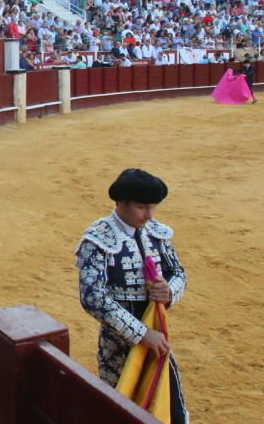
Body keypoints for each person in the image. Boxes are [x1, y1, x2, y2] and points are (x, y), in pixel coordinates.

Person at [75, 168, 189, 423]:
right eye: (142, 207)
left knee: (170, 408)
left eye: (152, 208)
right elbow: (92, 297)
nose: (149, 215)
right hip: (118, 343)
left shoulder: (156, 233)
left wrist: (169, 290)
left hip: (157, 335)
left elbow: (179, 273)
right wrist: (141, 333)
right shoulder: (98, 238)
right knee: (120, 406)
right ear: (121, 202)